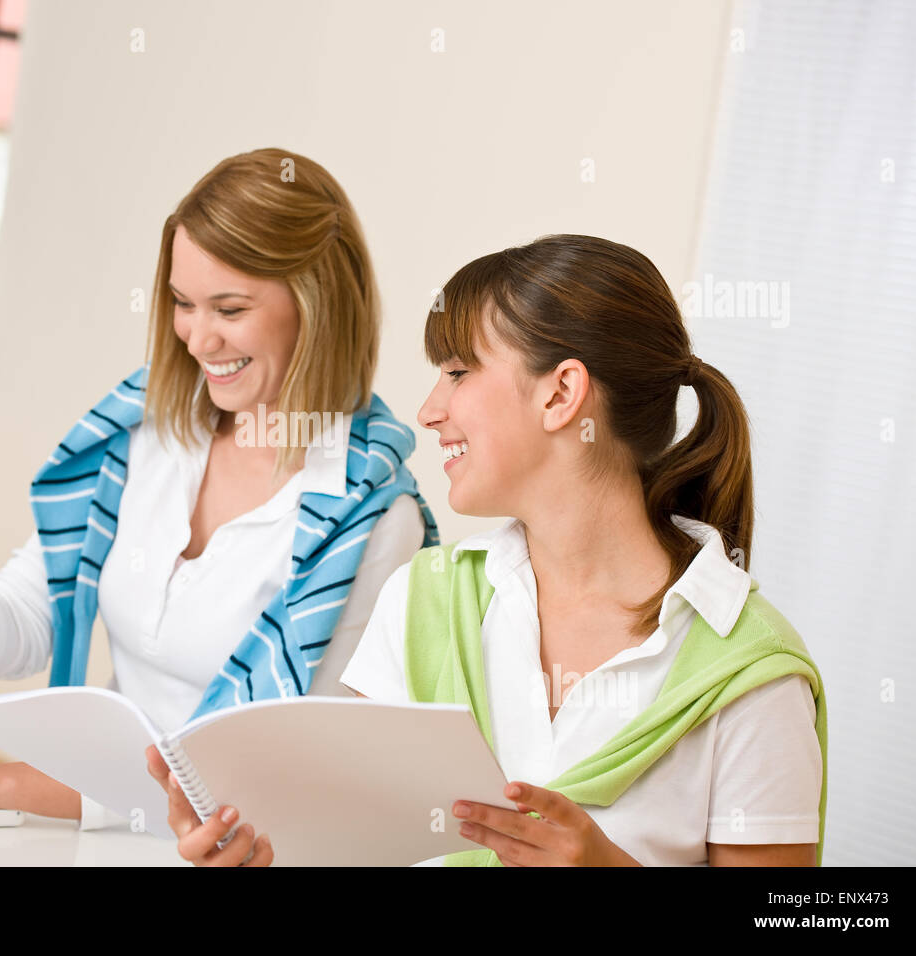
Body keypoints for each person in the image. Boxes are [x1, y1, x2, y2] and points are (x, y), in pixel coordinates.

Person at [0, 148, 438, 825]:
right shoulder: (145, 432)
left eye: (230, 308)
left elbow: (283, 779)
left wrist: (8, 785)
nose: (198, 339)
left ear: (318, 307)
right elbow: (33, 617)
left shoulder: (374, 521)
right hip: (96, 818)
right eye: (183, 304)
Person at [148, 234, 826, 866]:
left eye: (457, 371)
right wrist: (254, 852)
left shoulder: (750, 677)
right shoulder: (424, 599)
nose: (429, 410)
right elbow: (339, 848)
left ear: (561, 393)